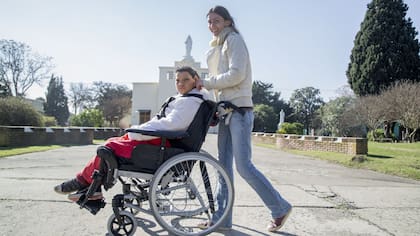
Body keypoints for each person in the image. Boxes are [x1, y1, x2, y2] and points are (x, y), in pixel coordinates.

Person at [196, 6, 292, 232]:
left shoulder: (234, 40)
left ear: (228, 22)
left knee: (244, 167)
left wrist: (207, 82)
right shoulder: (218, 46)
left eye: (216, 21)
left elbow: (236, 74)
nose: (212, 26)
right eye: (209, 22)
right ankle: (222, 219)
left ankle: (280, 209)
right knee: (223, 169)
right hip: (226, 113)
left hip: (239, 112)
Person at [54, 66, 207, 201]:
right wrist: (139, 130)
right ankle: (90, 187)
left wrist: (139, 131)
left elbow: (172, 125)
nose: (180, 84)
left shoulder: (190, 101)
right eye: (177, 80)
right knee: (113, 142)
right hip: (165, 142)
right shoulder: (189, 99)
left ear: (195, 80)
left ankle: (82, 183)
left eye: (185, 80)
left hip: (165, 144)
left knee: (109, 147)